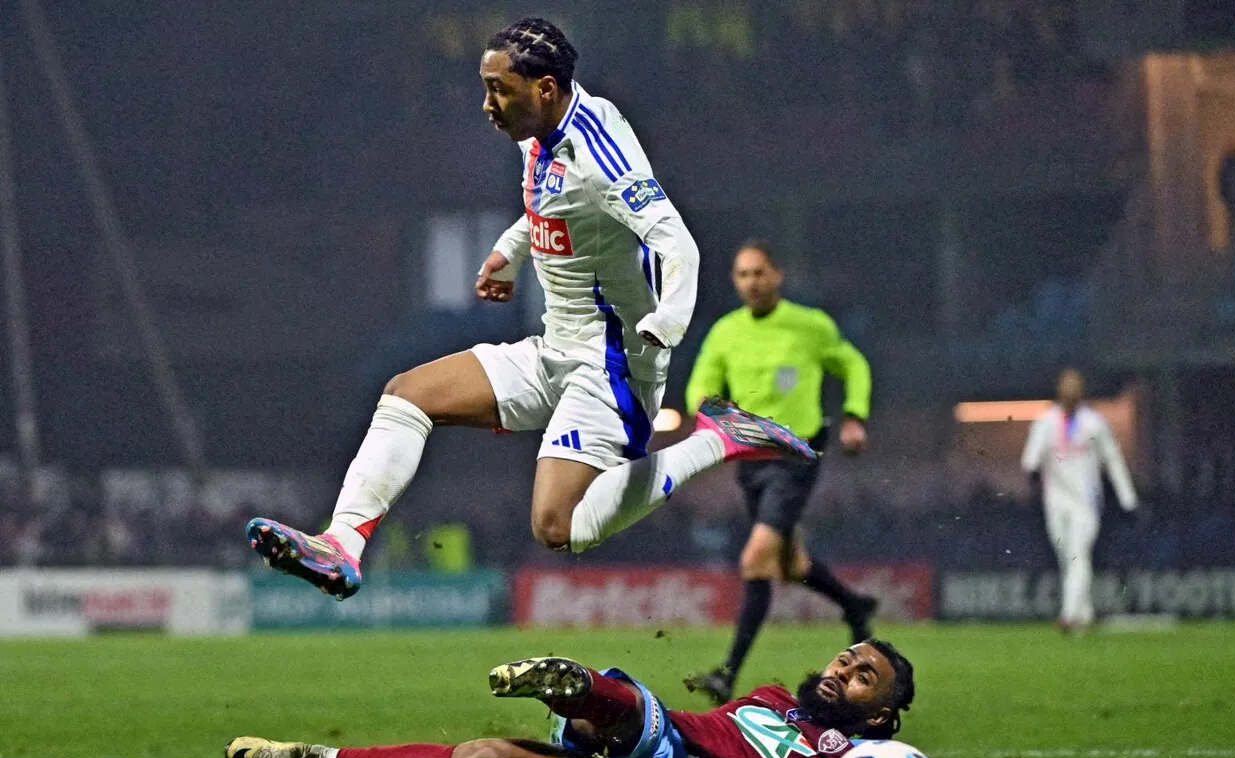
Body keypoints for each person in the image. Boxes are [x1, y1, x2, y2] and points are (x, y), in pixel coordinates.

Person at [243, 19, 815, 600]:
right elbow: (556, 204)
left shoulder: (601, 154)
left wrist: (667, 322)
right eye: (486, 87)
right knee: (406, 394)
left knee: (555, 526)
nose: (488, 104)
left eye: (499, 89)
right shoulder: (538, 130)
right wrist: (511, 252)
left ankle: (717, 438)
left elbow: (677, 243)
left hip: (613, 364)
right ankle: (342, 545)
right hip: (554, 346)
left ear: (544, 88)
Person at [225, 642, 1150, 758]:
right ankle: (313, 757)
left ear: (881, 714)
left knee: (489, 756)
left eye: (861, 675)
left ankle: (579, 687)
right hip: (650, 745)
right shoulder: (780, 695)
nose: (839, 668)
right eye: (844, 657)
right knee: (493, 748)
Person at [683, 241, 878, 704]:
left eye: (758, 273)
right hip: (749, 463)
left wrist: (854, 415)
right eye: (742, 274)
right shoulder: (726, 332)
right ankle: (855, 606)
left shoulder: (809, 325)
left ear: (777, 276)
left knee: (756, 561)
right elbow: (701, 387)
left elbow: (853, 363)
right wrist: (711, 416)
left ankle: (727, 674)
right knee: (792, 567)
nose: (751, 282)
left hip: (796, 455)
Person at [1021, 369, 1138, 633]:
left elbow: (1113, 460)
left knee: (1077, 555)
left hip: (1086, 503)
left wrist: (1127, 498)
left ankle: (1069, 615)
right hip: (1056, 503)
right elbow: (1029, 460)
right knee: (1067, 558)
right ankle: (1084, 613)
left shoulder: (1094, 423)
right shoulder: (1046, 423)